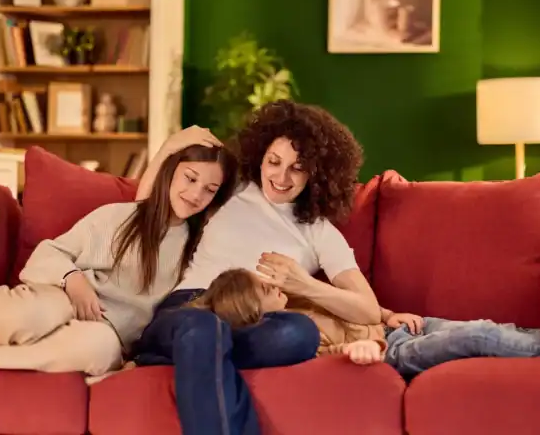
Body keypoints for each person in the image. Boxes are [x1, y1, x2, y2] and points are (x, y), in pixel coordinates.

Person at [131, 100, 380, 435]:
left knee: (300, 333)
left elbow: (367, 310)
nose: (281, 176)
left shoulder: (319, 231)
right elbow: (148, 211)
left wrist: (303, 284)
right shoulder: (232, 188)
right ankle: (191, 347)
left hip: (252, 320)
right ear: (260, 155)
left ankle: (190, 356)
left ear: (316, 173)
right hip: (192, 306)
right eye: (274, 162)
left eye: (297, 167)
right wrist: (170, 147)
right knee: (204, 327)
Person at [0, 143, 238, 377]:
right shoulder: (121, 216)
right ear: (171, 172)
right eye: (190, 178)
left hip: (107, 331)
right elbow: (50, 254)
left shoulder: (200, 249)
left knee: (94, 351)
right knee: (35, 313)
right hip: (63, 295)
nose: (195, 194)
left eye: (209, 190)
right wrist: (73, 279)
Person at [193, 268, 540, 379]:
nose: (275, 285)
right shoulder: (285, 336)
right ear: (256, 310)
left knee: (489, 324)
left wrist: (386, 315)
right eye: (265, 289)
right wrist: (358, 349)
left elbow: (350, 308)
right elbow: (327, 356)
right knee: (480, 335)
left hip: (398, 328)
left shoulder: (295, 300)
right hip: (395, 351)